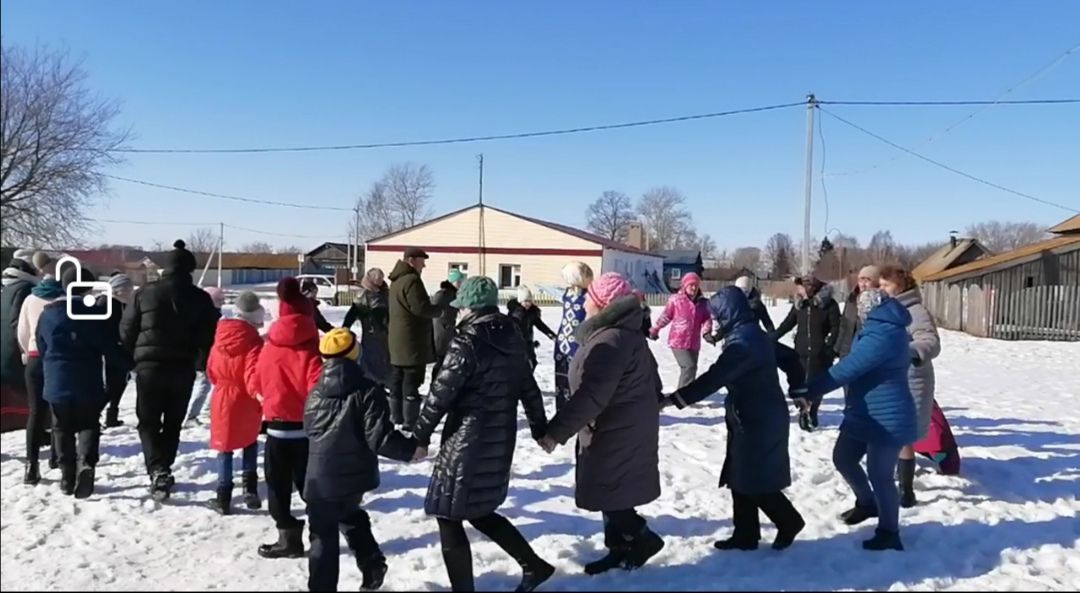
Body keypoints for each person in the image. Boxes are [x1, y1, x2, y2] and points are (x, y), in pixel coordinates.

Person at [413, 276, 553, 592]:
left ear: (469, 307)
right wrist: (539, 429)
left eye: (460, 306)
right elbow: (528, 388)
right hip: (499, 437)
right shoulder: (513, 337)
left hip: (467, 440)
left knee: (448, 514)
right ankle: (535, 565)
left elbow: (440, 395)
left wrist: (420, 437)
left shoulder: (466, 341)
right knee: (478, 509)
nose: (458, 312)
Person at [540, 272, 665, 575]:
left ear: (602, 303)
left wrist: (556, 432)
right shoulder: (622, 333)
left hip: (616, 427)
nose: (584, 300)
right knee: (611, 488)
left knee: (609, 487)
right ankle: (619, 549)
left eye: (589, 296)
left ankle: (643, 538)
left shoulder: (613, 338)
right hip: (621, 424)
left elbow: (591, 395)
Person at [664, 287, 805, 552]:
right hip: (753, 415)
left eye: (718, 315)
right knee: (739, 475)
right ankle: (746, 534)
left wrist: (674, 399)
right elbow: (790, 358)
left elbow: (714, 378)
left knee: (754, 479)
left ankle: (789, 521)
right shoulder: (752, 334)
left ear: (729, 313)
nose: (715, 321)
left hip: (758, 419)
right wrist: (797, 389)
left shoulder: (744, 344)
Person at [793, 289, 917, 551]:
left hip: (887, 416)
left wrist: (811, 389)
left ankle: (889, 531)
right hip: (864, 411)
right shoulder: (877, 327)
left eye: (861, 308)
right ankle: (867, 503)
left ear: (869, 310)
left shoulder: (884, 334)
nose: (858, 312)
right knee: (843, 458)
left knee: (880, 475)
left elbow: (849, 368)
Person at [305, 328, 418, 592]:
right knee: (348, 513)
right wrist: (411, 449)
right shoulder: (368, 390)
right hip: (353, 475)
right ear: (356, 355)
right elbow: (381, 437)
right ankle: (372, 562)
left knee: (323, 537)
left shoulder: (315, 392)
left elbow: (310, 430)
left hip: (321, 477)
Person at [121, 240, 220, 501]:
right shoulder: (200, 298)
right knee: (173, 422)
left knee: (148, 422)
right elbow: (210, 334)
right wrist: (200, 361)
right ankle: (163, 467)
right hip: (182, 368)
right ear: (190, 269)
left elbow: (127, 328)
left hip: (149, 367)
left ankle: (158, 468)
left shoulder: (144, 293)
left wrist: (134, 356)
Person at [37, 264, 131, 498]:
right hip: (88, 380)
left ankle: (67, 476)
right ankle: (87, 463)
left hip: (56, 381)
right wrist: (129, 364)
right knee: (89, 423)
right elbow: (108, 346)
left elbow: (41, 346)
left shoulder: (48, 313)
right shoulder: (95, 314)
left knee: (61, 428)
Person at [252, 277, 323, 558]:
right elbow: (317, 388)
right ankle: (322, 533)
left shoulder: (269, 346)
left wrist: (269, 398)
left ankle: (288, 537)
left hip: (277, 430)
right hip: (305, 430)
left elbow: (256, 383)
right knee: (313, 488)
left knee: (277, 488)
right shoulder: (311, 347)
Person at [879, 265, 942, 509]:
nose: (882, 289)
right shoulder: (886, 310)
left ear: (901, 285)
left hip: (911, 379)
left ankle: (906, 489)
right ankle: (894, 478)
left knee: (902, 436)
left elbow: (930, 341)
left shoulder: (915, 311)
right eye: (881, 284)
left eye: (887, 284)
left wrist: (909, 352)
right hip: (887, 379)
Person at [206, 291, 266, 515]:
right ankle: (250, 489)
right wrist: (258, 394)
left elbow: (211, 370)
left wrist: (222, 384)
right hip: (245, 397)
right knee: (249, 441)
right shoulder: (253, 340)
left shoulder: (220, 337)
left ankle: (223, 496)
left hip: (222, 395)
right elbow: (252, 373)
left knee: (225, 447)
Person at [774, 276, 841, 431]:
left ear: (812, 289)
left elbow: (836, 327)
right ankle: (804, 411)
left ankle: (813, 410)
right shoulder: (800, 305)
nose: (800, 290)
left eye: (803, 287)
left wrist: (830, 347)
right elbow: (787, 324)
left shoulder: (829, 305)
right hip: (801, 351)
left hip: (821, 353)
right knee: (801, 383)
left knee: (816, 384)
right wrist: (771, 338)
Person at [387, 248, 442, 433]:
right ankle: (410, 421)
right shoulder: (412, 280)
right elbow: (420, 308)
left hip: (397, 339)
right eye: (421, 261)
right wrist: (439, 311)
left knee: (397, 380)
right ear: (411, 261)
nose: (424, 265)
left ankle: (396, 416)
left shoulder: (396, 281)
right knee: (411, 380)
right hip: (412, 340)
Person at [16, 269, 63, 484]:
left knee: (35, 411)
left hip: (35, 357)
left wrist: (27, 351)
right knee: (57, 408)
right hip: (58, 358)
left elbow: (22, 332)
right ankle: (56, 455)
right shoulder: (65, 299)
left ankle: (31, 464)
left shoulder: (30, 299)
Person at [650, 272, 712, 389]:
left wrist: (706, 333)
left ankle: (688, 394)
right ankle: (682, 395)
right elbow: (666, 316)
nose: (693, 288)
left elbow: (707, 319)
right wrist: (655, 329)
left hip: (694, 342)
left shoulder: (703, 303)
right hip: (678, 341)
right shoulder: (676, 300)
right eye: (691, 285)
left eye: (696, 285)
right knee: (688, 366)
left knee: (692, 368)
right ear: (684, 286)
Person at [1, 252, 41, 432]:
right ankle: (36, 432)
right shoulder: (25, 289)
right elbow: (18, 322)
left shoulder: (7, 288)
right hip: (15, 351)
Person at [553, 261, 593, 411]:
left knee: (576, 378)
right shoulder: (568, 294)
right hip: (564, 342)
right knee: (562, 377)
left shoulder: (588, 296)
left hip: (577, 342)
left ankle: (574, 411)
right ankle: (562, 410)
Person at [343, 268, 391, 386]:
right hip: (371, 332)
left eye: (381, 278)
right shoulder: (363, 294)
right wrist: (345, 327)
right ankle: (373, 383)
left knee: (385, 359)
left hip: (385, 332)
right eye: (378, 279)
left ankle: (384, 383)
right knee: (372, 360)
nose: (380, 281)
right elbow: (352, 313)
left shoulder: (384, 291)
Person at [186, 286, 226, 425]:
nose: (223, 302)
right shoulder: (210, 316)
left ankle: (203, 411)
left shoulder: (198, 312)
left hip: (203, 355)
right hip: (205, 356)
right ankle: (191, 415)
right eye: (220, 299)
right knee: (204, 386)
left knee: (208, 385)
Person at [101, 273, 136, 428]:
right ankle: (94, 415)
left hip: (119, 349)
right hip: (109, 351)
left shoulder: (121, 304)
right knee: (111, 386)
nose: (130, 292)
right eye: (128, 289)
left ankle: (112, 416)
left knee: (120, 384)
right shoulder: (105, 303)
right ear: (118, 289)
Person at [506, 286, 557, 371]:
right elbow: (510, 328)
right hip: (516, 343)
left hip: (528, 343)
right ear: (520, 301)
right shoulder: (515, 313)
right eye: (525, 301)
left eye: (529, 301)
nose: (528, 304)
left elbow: (540, 325)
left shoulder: (532, 313)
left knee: (532, 363)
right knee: (521, 365)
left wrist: (551, 335)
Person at [836, 266, 880, 360]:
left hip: (864, 353)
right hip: (846, 351)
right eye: (861, 280)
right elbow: (843, 325)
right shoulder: (851, 299)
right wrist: (838, 348)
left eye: (867, 280)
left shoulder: (878, 303)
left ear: (876, 283)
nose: (863, 284)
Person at [430, 269, 465, 380]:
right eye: (458, 282)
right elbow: (434, 310)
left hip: (448, 329)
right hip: (441, 330)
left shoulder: (453, 294)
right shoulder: (443, 294)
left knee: (446, 359)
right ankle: (435, 382)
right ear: (452, 282)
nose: (460, 284)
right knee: (442, 359)